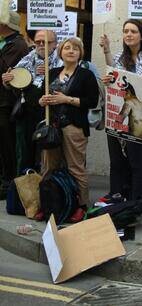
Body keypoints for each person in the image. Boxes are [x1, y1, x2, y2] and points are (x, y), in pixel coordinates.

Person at [101, 20, 142, 191]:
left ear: (141, 36)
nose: (129, 35)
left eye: (133, 31)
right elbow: (112, 81)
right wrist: (107, 80)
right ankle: (117, 195)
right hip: (117, 113)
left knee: (136, 159)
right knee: (116, 159)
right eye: (126, 31)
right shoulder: (118, 57)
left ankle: (137, 198)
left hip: (139, 116)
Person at [38, 38, 99, 222]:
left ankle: (81, 206)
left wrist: (67, 99)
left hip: (74, 127)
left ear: (81, 53)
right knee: (48, 167)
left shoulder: (85, 75)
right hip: (52, 127)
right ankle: (47, 204)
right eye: (67, 48)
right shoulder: (53, 72)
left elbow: (92, 102)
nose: (71, 51)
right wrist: (42, 101)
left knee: (76, 168)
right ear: (60, 52)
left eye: (75, 48)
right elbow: (42, 97)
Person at [3, 29, 62, 174]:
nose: (42, 45)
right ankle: (24, 191)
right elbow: (15, 84)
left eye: (46, 42)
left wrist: (50, 73)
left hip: (50, 114)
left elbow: (66, 84)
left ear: (54, 44)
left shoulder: (61, 61)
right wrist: (7, 81)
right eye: (38, 42)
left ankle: (46, 190)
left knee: (45, 156)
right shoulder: (26, 60)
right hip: (26, 114)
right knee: (24, 154)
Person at [0, 12, 29, 199]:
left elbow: (6, 69)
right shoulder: (8, 42)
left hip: (6, 101)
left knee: (6, 143)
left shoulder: (17, 44)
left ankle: (8, 181)